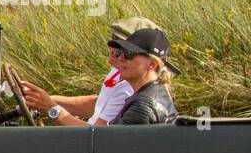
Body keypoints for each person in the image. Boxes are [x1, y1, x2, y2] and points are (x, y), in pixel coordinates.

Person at [20, 17, 160, 126]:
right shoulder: (121, 73)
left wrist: (52, 109)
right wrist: (44, 99)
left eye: (122, 52)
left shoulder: (131, 88)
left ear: (151, 64)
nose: (112, 59)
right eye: (113, 47)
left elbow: (98, 138)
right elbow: (98, 104)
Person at [106, 27, 179, 124]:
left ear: (152, 64)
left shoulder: (143, 106)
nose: (120, 58)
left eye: (129, 53)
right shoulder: (154, 93)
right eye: (120, 52)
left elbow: (112, 139)